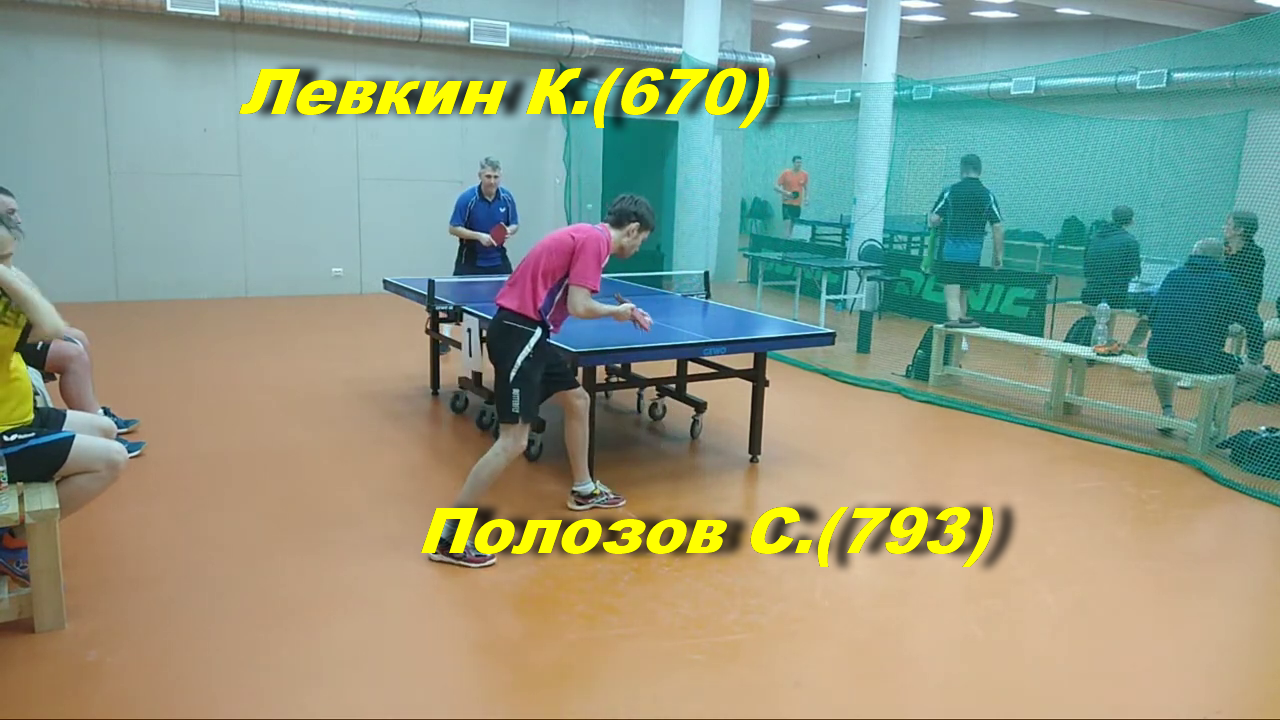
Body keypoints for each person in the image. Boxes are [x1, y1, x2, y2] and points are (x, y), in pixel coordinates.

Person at [428, 194, 656, 569]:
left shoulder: (588, 235)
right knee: (513, 441)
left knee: (578, 399)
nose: (638, 246)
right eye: (641, 239)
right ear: (632, 230)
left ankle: (583, 489)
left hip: (531, 333)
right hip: (521, 333)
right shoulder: (596, 242)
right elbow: (580, 305)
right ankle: (449, 536)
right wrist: (618, 311)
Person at [0, 213, 129, 587]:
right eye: (3, 261)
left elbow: (49, 323)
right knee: (112, 460)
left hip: (18, 415)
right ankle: (12, 541)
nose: (10, 270)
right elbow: (51, 327)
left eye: (10, 259)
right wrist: (9, 278)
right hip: (4, 435)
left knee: (105, 430)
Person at [0, 187, 144, 456]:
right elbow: (46, 323)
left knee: (77, 337)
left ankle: (95, 417)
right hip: (10, 352)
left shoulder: (7, 264)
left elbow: (37, 303)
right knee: (72, 355)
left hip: (14, 339)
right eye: (9, 214)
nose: (17, 220)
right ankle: (92, 430)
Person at [1146, 238, 1267, 434]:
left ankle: (1167, 413)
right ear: (1221, 258)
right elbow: (1254, 322)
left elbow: (1153, 315)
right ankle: (1203, 420)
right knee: (1258, 376)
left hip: (1157, 354)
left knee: (1164, 362)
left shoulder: (1173, 275)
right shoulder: (1225, 281)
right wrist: (1254, 354)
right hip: (1202, 360)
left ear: (1193, 254)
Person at [439, 158, 520, 355]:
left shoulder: (507, 198)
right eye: (488, 176)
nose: (492, 181)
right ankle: (445, 335)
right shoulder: (468, 199)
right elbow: (453, 228)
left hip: (498, 258)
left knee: (510, 298)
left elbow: (515, 224)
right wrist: (479, 237)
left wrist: (508, 231)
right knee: (459, 302)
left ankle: (508, 339)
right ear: (480, 176)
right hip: (471, 258)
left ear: (501, 176)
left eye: (496, 177)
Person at [927, 154, 1005, 329]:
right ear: (980, 170)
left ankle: (955, 329)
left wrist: (937, 221)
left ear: (962, 169)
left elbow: (934, 219)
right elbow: (998, 227)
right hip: (973, 256)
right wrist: (997, 256)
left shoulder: (950, 191)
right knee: (963, 295)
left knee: (952, 297)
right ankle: (962, 337)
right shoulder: (987, 195)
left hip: (951, 253)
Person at [1080, 206, 1149, 346]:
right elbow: (1134, 271)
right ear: (1131, 221)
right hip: (1115, 296)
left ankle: (1088, 340)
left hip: (1089, 293)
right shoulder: (1130, 241)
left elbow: (1086, 265)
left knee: (1096, 310)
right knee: (1147, 309)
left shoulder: (1094, 238)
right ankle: (1110, 345)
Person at [775, 155, 808, 237]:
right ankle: (786, 240)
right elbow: (776, 187)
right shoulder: (786, 173)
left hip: (797, 204)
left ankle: (789, 240)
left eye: (800, 162)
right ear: (793, 163)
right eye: (797, 162)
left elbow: (806, 188)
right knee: (787, 224)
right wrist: (786, 193)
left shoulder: (804, 174)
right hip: (787, 203)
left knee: (793, 225)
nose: (799, 164)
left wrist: (806, 198)